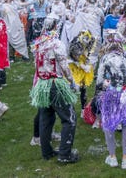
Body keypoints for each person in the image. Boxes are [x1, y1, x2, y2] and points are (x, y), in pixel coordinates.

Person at [30, 27, 79, 163]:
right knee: (69, 119)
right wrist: (71, 82)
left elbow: (36, 65)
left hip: (42, 85)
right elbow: (64, 66)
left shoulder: (38, 43)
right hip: (55, 84)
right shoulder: (56, 44)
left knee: (46, 118)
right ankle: (64, 155)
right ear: (56, 27)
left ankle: (47, 152)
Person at [96, 35, 126, 169]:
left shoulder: (106, 58)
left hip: (111, 95)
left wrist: (108, 86)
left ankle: (112, 157)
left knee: (109, 123)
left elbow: (99, 81)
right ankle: (125, 158)